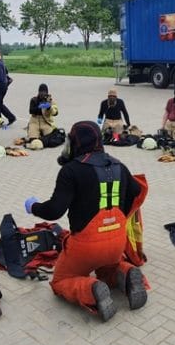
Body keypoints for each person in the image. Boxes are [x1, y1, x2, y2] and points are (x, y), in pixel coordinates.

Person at [24, 121, 148, 322]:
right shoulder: (119, 165)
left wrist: (33, 207)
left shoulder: (71, 170)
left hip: (85, 247)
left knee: (60, 281)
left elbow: (55, 210)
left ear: (77, 142)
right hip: (117, 243)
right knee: (107, 270)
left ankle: (91, 289)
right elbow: (135, 193)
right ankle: (126, 272)